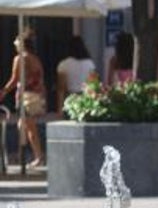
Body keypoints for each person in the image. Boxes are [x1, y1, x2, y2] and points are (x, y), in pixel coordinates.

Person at [1, 30, 47, 168]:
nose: (14, 43)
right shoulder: (35, 58)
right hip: (36, 96)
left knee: (25, 126)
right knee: (27, 126)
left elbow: (14, 79)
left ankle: (28, 155)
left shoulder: (20, 58)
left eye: (16, 40)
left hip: (26, 97)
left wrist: (3, 91)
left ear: (22, 43)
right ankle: (34, 155)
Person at [56, 35, 98, 111]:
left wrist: (60, 108)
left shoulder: (63, 65)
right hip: (86, 99)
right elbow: (93, 85)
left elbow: (61, 88)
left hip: (70, 99)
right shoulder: (90, 64)